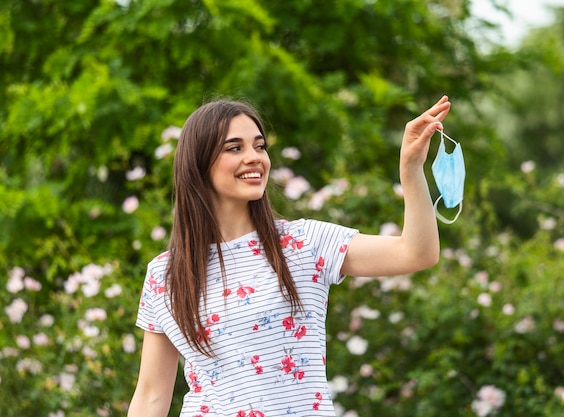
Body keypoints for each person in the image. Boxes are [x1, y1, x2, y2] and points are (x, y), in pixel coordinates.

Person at [127, 96, 451, 417]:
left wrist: (410, 169)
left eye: (259, 146)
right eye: (234, 148)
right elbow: (152, 395)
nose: (254, 157)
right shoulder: (164, 275)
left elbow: (415, 253)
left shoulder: (304, 243)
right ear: (198, 163)